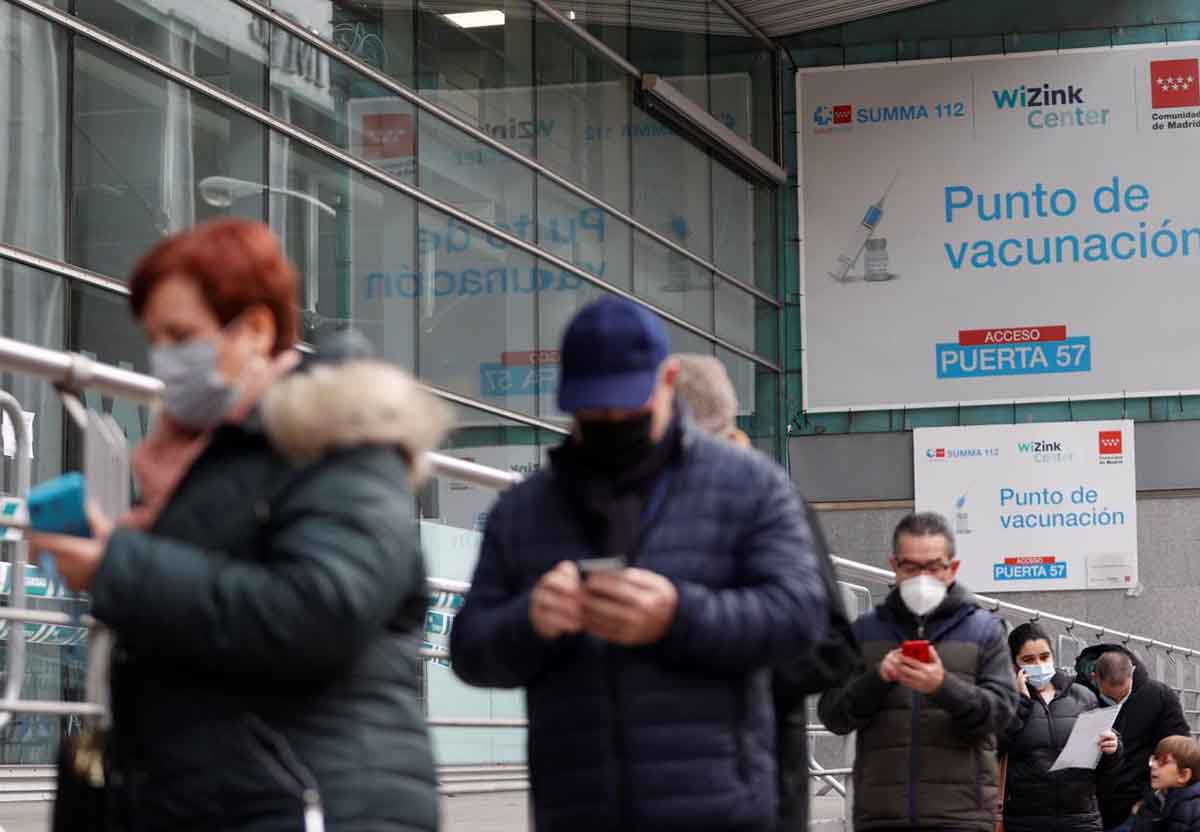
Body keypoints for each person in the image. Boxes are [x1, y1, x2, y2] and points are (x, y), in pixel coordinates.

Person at [30, 219, 444, 831]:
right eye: (155, 340)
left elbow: (319, 611)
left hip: (315, 799)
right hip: (232, 797)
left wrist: (120, 564)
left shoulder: (342, 442)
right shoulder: (217, 460)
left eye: (182, 336)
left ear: (255, 328)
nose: (165, 360)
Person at [450, 298, 826, 832]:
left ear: (668, 380)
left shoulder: (748, 486)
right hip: (577, 809)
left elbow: (803, 618)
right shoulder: (524, 509)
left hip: (719, 809)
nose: (610, 423)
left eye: (627, 409)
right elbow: (469, 649)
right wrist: (530, 619)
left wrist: (677, 615)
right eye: (592, 412)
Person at [672, 353, 863, 832]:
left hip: (758, 774)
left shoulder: (773, 504)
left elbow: (832, 649)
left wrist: (717, 659)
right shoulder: (644, 509)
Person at [818, 512, 1016, 831]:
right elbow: (833, 714)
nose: (922, 578)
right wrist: (878, 679)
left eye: (933, 567)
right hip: (882, 815)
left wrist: (943, 686)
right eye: (911, 567)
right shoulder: (864, 633)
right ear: (894, 566)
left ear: (952, 568)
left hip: (960, 817)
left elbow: (1002, 715)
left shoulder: (984, 632)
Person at [998, 622, 1120, 832]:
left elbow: (1106, 767)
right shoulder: (1004, 700)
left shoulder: (1083, 696)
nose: (1039, 664)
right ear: (1015, 664)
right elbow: (992, 747)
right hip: (1026, 821)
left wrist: (1113, 747)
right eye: (1029, 659)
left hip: (1081, 819)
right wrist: (1021, 704)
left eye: (1045, 657)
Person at [1076, 645, 1190, 828]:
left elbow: (1180, 751)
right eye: (1110, 698)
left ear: (1132, 673)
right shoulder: (1076, 697)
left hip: (1137, 810)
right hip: (1086, 811)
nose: (1118, 702)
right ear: (1094, 678)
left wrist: (1153, 800)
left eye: (1123, 695)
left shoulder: (1160, 697)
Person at [1117, 736, 1200, 832]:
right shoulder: (1155, 803)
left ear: (1183, 775)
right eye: (1155, 759)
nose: (1153, 765)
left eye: (1163, 761)